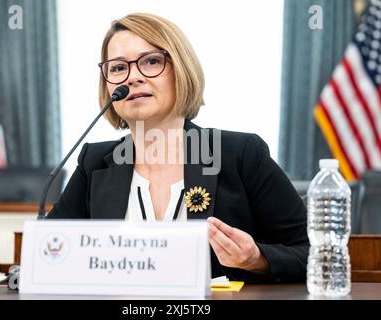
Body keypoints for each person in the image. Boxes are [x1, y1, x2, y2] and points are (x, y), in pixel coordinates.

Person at [48, 13, 309, 283]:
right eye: (117, 68)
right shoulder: (95, 163)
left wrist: (258, 260)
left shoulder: (240, 154)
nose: (133, 77)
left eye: (151, 61)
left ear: (181, 69)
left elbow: (313, 252)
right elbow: (48, 250)